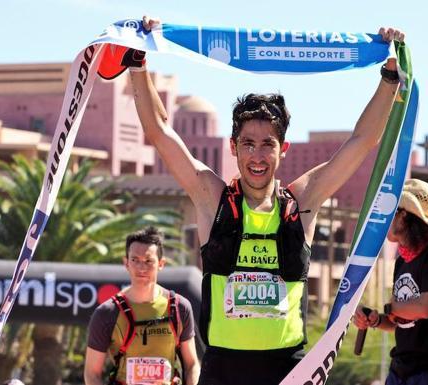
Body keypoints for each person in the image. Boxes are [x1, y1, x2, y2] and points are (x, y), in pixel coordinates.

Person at [126, 16, 405, 385]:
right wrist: (138, 60)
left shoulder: (302, 201)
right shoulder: (213, 199)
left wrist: (389, 77)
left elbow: (361, 142)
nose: (257, 156)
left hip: (287, 369)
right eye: (248, 144)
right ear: (233, 148)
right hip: (223, 369)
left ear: (283, 149)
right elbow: (160, 133)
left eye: (267, 144)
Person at [354, 179, 428, 385]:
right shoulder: (403, 259)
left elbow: (424, 308)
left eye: (389, 213)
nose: (384, 220)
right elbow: (398, 321)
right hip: (400, 371)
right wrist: (375, 320)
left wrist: (389, 307)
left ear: (403, 217)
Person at [84, 226, 200, 385]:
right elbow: (92, 374)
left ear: (161, 263)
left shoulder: (179, 307)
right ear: (126, 263)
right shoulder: (106, 313)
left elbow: (192, 364)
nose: (141, 268)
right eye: (135, 260)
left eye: (148, 261)